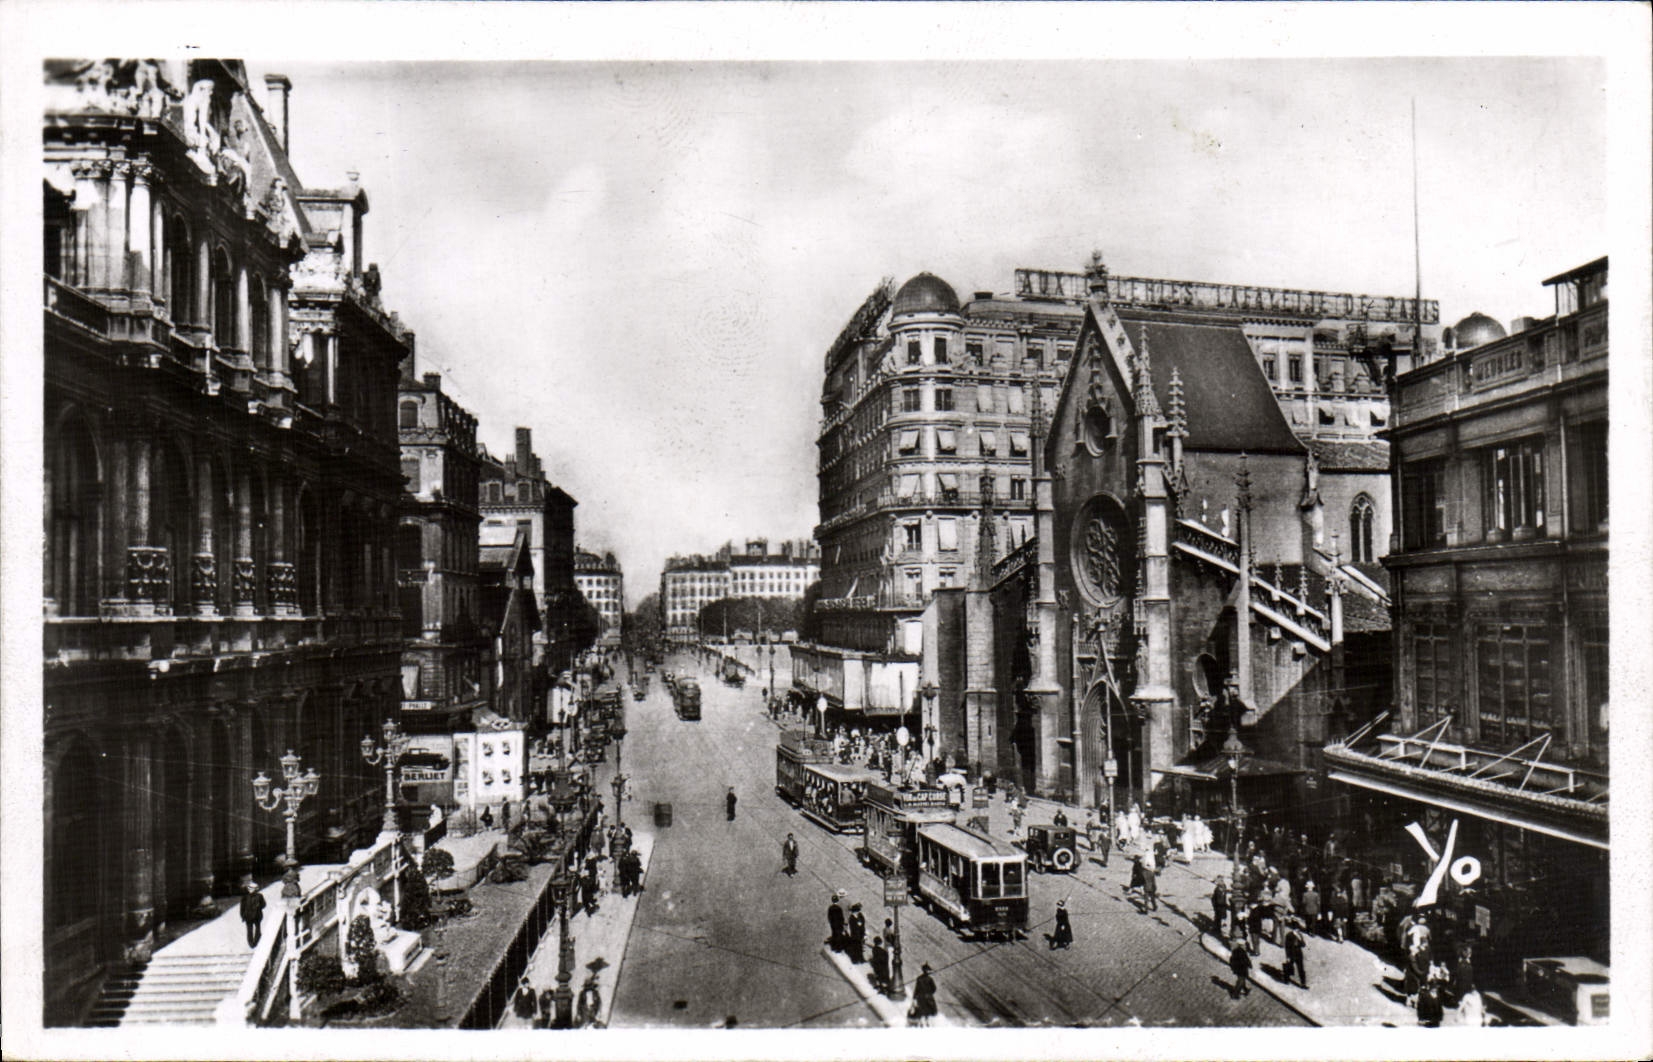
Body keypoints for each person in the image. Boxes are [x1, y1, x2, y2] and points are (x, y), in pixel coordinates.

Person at [239, 881, 267, 948]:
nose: (251, 890)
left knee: (257, 929)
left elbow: (264, 904)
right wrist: (242, 915)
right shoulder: (245, 897)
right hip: (249, 916)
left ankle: (255, 941)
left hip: (256, 915)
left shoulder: (259, 896)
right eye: (250, 888)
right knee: (250, 930)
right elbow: (242, 907)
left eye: (252, 888)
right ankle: (251, 943)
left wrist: (259, 906)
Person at [1283, 918, 1308, 988]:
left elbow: (1303, 945)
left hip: (1299, 954)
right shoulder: (1289, 935)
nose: (1298, 930)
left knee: (1301, 969)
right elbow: (1287, 946)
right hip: (1291, 954)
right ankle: (1286, 979)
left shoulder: (1300, 935)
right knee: (1289, 966)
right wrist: (1287, 956)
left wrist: (1300, 939)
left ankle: (1303, 983)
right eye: (1297, 929)